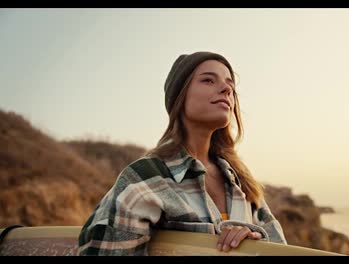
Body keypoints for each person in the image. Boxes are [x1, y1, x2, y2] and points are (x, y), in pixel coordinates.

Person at [78, 51, 287, 255]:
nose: (226, 89)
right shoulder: (145, 179)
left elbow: (283, 251)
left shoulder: (242, 182)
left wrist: (256, 245)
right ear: (180, 95)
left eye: (230, 84)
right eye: (208, 80)